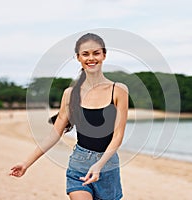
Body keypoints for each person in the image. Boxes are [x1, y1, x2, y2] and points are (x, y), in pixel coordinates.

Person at [10, 33, 129, 200]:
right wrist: (26, 163)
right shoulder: (70, 93)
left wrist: (99, 164)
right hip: (78, 165)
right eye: (85, 54)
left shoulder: (118, 90)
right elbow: (54, 134)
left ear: (104, 55)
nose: (91, 58)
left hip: (107, 167)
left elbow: (118, 136)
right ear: (78, 57)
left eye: (96, 53)